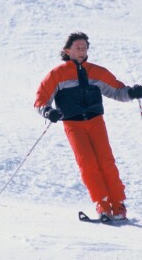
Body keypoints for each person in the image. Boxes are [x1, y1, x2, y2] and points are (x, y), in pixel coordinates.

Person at [34, 32, 142, 219]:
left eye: (84, 47)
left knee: (106, 161)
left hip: (95, 121)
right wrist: (48, 111)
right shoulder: (57, 74)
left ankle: (118, 205)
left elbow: (117, 90)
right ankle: (102, 203)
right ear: (67, 50)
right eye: (78, 47)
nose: (82, 51)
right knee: (88, 163)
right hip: (73, 124)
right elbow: (41, 99)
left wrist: (132, 92)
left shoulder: (97, 71)